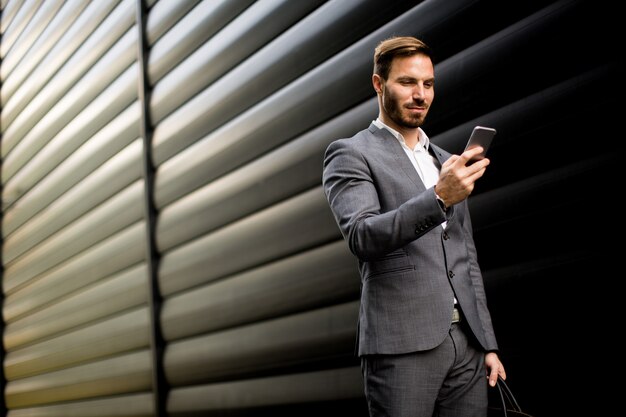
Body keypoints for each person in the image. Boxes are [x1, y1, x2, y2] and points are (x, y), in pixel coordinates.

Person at [322, 36, 506, 417]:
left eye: (428, 84)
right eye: (407, 82)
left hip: (466, 347)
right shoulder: (351, 153)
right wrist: (438, 197)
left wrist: (487, 344)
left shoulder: (444, 161)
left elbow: (466, 257)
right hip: (400, 345)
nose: (420, 94)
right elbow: (362, 235)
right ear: (379, 84)